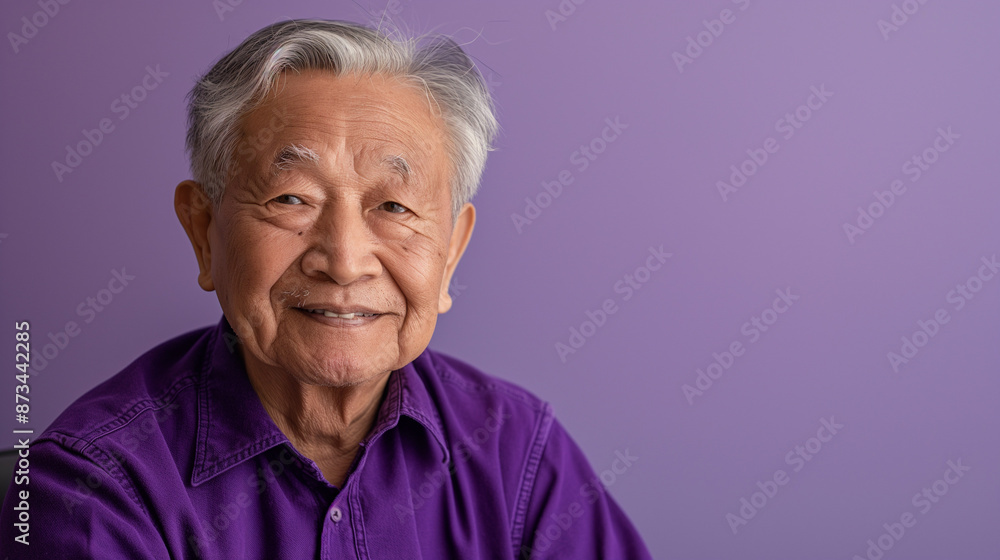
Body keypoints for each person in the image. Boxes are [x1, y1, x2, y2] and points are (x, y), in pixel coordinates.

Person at [0, 19, 652, 559]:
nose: (344, 261)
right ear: (204, 232)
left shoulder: (517, 452)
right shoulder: (93, 486)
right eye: (292, 198)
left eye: (394, 208)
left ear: (451, 252)